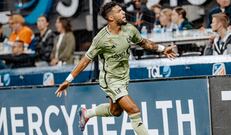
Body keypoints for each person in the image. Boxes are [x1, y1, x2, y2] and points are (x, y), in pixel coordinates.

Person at [55, 2, 176, 135]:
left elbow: (144, 42)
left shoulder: (129, 29)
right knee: (134, 110)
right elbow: (85, 60)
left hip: (124, 77)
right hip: (111, 80)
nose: (123, 12)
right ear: (111, 18)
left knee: (116, 112)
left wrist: (163, 49)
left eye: (122, 10)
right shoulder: (101, 39)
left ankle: (86, 113)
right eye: (119, 11)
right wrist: (68, 80)